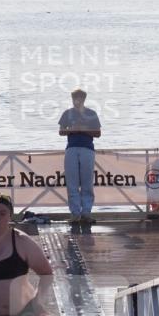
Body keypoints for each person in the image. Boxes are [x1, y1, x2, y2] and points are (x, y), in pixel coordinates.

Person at [58, 89, 101, 225]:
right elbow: (61, 131)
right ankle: (75, 214)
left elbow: (98, 133)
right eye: (74, 98)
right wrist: (73, 129)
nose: (76, 101)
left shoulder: (91, 114)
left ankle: (86, 213)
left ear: (83, 99)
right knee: (72, 183)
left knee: (87, 182)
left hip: (87, 149)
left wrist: (83, 129)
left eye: (79, 98)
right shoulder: (67, 113)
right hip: (71, 148)